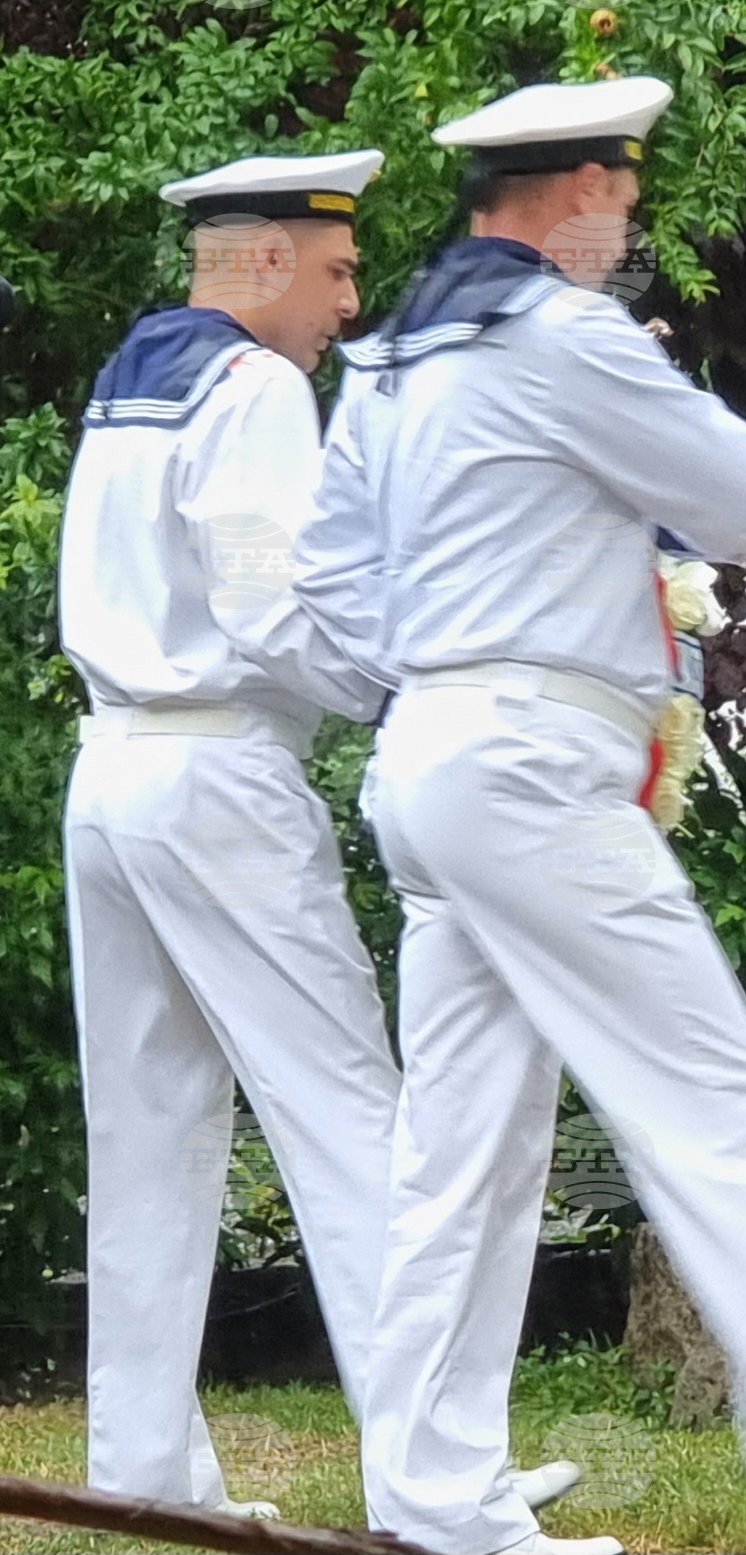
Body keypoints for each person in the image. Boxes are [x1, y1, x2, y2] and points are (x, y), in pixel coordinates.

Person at [291, 77, 746, 1555]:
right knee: (710, 1099)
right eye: (621, 194)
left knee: (461, 1153)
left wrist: (447, 666)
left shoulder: (387, 360)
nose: (628, 219)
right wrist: (638, 405)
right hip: (531, 769)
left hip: (433, 759)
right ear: (571, 191)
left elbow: (326, 593)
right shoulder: (562, 338)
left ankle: (435, 1497)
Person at [57, 151, 402, 1512]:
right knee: (349, 1113)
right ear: (265, 260)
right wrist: (405, 686)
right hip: (217, 777)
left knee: (145, 1130)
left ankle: (142, 1475)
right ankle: (438, 1466)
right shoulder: (258, 387)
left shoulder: (130, 380)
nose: (350, 299)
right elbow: (270, 609)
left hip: (112, 771)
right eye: (335, 269)